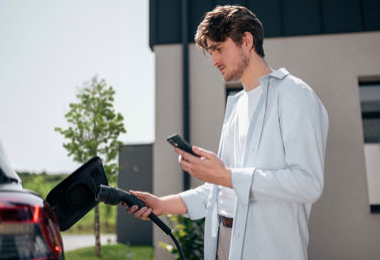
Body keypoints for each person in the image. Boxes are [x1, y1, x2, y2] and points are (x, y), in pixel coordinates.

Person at [125, 5, 329, 260]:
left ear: (246, 41)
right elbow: (220, 190)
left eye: (219, 49)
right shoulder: (235, 105)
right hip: (223, 245)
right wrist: (161, 205)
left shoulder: (295, 95)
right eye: (211, 52)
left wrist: (227, 176)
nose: (214, 61)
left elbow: (307, 183)